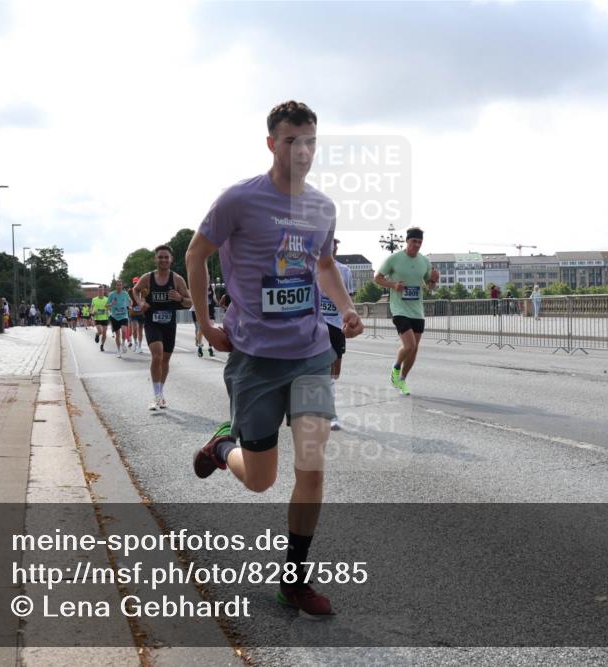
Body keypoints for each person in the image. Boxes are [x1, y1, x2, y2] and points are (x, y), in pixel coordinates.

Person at [186, 100, 362, 617]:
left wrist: (346, 308)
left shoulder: (323, 208)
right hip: (255, 358)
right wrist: (203, 322)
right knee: (261, 478)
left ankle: (295, 579)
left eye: (309, 141)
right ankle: (223, 449)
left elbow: (325, 263)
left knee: (311, 464)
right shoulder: (239, 200)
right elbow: (197, 254)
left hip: (310, 352)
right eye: (291, 141)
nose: (302, 151)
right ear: (272, 144)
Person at [374, 227, 439, 396]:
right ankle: (395, 369)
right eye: (414, 241)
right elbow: (377, 278)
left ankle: (402, 379)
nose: (417, 245)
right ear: (407, 241)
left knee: (415, 348)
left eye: (419, 242)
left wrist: (433, 280)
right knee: (409, 345)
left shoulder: (424, 261)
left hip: (417, 309)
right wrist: (394, 285)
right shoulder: (394, 259)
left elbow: (429, 287)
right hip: (399, 308)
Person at [133, 245, 192, 409]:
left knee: (165, 359)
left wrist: (180, 297)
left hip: (169, 323)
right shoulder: (148, 278)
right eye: (160, 257)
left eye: (166, 257)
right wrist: (141, 302)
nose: (163, 260)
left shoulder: (177, 279)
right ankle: (156, 395)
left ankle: (160, 392)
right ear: (155, 259)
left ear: (171, 260)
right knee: (157, 355)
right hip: (152, 322)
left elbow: (189, 302)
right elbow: (135, 290)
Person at [318, 239, 354, 430]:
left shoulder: (345, 271)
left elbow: (349, 298)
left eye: (336, 246)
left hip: (336, 324)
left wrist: (350, 319)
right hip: (315, 324)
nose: (335, 249)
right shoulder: (309, 267)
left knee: (334, 372)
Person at [191, 282, 218, 358]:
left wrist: (218, 303)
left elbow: (214, 298)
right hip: (202, 311)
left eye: (208, 276)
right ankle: (200, 347)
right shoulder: (199, 286)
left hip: (211, 311)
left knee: (211, 330)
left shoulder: (212, 287)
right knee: (201, 330)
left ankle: (210, 348)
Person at [106, 281, 132, 357]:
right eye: (118, 285)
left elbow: (130, 301)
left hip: (124, 316)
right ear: (115, 286)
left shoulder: (125, 294)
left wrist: (130, 304)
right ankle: (118, 350)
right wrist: (111, 304)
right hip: (114, 317)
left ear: (122, 286)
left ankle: (123, 344)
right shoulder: (111, 294)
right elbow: (106, 306)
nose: (119, 286)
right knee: (117, 334)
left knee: (124, 331)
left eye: (120, 285)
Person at [128, 277, 145, 354]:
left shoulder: (143, 291)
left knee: (140, 330)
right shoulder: (130, 291)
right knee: (134, 329)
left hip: (141, 313)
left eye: (137, 282)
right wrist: (130, 305)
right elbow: (128, 301)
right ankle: (135, 343)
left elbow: (145, 299)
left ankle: (140, 346)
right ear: (133, 283)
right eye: (134, 283)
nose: (135, 284)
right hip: (133, 313)